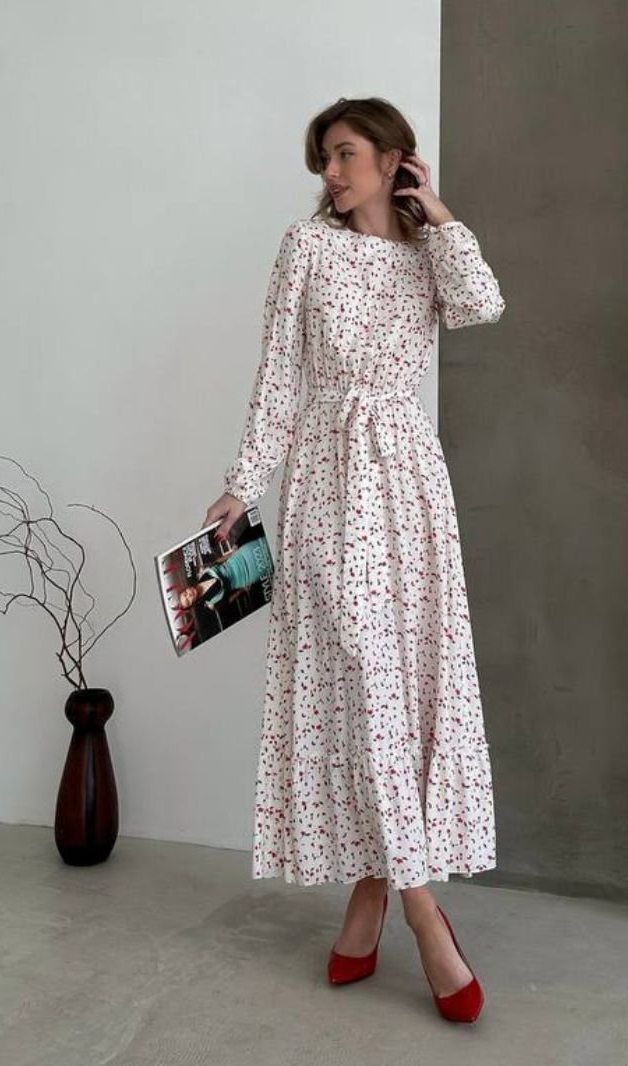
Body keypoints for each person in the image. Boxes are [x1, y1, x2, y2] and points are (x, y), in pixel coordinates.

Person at [203, 96, 505, 1024]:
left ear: (391, 158)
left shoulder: (427, 256)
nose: (329, 175)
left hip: (409, 482)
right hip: (329, 482)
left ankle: (370, 897)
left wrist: (438, 211)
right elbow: (279, 376)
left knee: (403, 686)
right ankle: (423, 914)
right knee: (362, 684)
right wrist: (242, 485)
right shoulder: (306, 248)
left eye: (343, 154)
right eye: (322, 160)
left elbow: (483, 304)